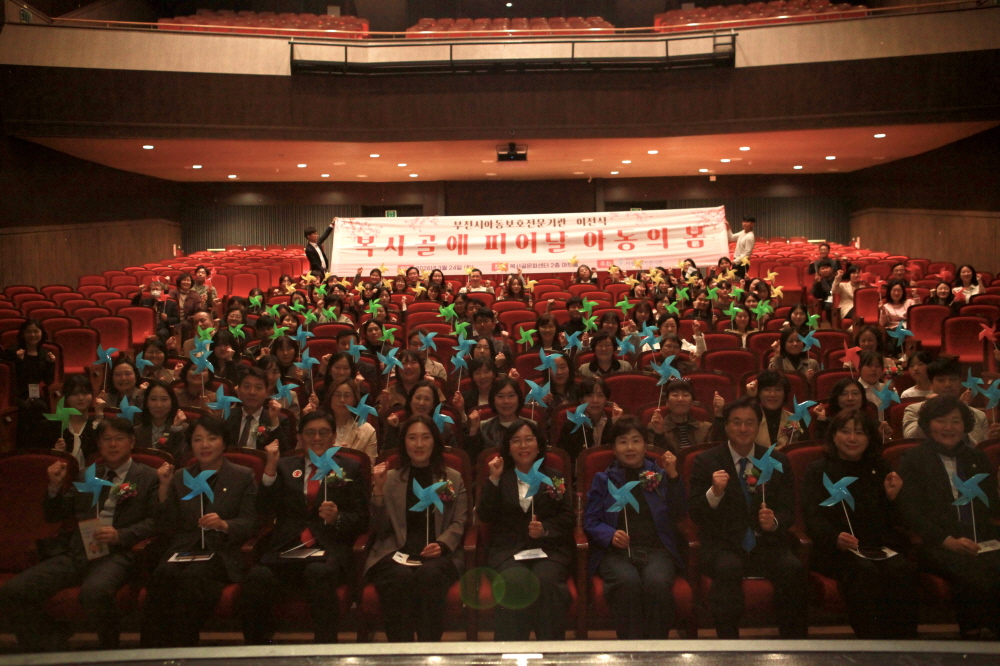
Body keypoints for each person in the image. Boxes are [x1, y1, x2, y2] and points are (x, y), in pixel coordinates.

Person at [0, 418, 159, 651]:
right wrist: (54, 487)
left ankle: (109, 650)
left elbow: (155, 522)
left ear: (131, 442)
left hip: (118, 553)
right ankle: (48, 644)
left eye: (119, 439)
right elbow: (55, 515)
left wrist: (120, 535)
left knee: (94, 593)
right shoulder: (87, 475)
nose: (112, 444)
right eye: (106, 439)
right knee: (13, 591)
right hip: (79, 551)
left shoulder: (148, 477)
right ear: (99, 444)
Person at [241, 411, 369, 645]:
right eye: (310, 433)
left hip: (328, 549)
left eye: (323, 432)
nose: (317, 438)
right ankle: (258, 649)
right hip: (286, 550)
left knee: (318, 573)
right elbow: (264, 510)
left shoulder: (350, 468)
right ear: (300, 437)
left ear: (334, 437)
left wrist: (337, 518)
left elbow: (361, 519)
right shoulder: (284, 465)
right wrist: (269, 470)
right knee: (257, 577)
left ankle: (325, 648)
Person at [688, 396, 807, 639]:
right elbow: (696, 513)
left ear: (758, 425)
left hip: (766, 543)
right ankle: (729, 645)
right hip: (723, 544)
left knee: (792, 568)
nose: (743, 428)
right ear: (726, 425)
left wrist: (773, 522)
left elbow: (788, 510)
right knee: (728, 568)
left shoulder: (776, 461)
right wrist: (714, 493)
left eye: (750, 422)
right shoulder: (706, 461)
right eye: (736, 422)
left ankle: (794, 645)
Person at [141, 415, 258, 647]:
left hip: (221, 552)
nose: (205, 445)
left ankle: (184, 650)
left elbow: (251, 522)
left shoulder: (243, 476)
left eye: (212, 438)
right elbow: (166, 525)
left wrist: (225, 524)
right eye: (197, 439)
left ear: (224, 443)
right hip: (183, 550)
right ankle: (152, 654)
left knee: (192, 579)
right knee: (162, 575)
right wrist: (164, 488)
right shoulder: (181, 476)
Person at [801, 409, 917, 639]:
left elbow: (897, 519)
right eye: (845, 431)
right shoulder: (818, 470)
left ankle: (903, 643)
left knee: (902, 569)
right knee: (864, 571)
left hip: (878, 546)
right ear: (833, 435)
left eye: (859, 433)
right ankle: (871, 642)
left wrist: (895, 498)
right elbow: (813, 517)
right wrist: (835, 538)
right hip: (837, 550)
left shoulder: (880, 467)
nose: (852, 438)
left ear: (869, 437)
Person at [897, 395, 1000, 640]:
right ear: (928, 424)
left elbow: (991, 508)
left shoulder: (977, 458)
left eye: (955, 421)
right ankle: (974, 634)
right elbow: (911, 512)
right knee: (973, 567)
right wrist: (948, 541)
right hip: (936, 542)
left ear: (965, 425)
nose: (948, 428)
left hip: (979, 536)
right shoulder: (913, 460)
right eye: (941, 421)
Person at [363, 415, 467, 642]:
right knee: (399, 578)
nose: (419, 444)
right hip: (395, 552)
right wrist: (378, 490)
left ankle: (428, 649)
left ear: (434, 441)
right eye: (412, 438)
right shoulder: (390, 479)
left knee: (429, 575)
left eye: (425, 437)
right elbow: (379, 528)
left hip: (438, 555)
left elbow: (459, 522)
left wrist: (442, 544)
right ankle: (401, 650)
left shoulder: (452, 478)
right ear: (404, 443)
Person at [584, 417, 686, 639]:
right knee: (627, 583)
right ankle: (631, 649)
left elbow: (680, 512)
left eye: (636, 441)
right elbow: (590, 521)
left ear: (645, 445)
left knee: (657, 583)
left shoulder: (658, 475)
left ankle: (655, 649)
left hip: (656, 550)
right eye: (623, 441)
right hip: (616, 553)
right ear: (614, 448)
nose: (630, 447)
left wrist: (673, 476)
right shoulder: (603, 480)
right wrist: (610, 534)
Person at [477, 420, 575, 640]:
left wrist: (545, 529)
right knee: (515, 581)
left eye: (529, 439)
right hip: (509, 550)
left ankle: (551, 651)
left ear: (538, 445)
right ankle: (511, 651)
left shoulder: (554, 477)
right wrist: (493, 479)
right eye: (516, 441)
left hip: (548, 550)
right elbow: (485, 515)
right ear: (508, 448)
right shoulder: (500, 476)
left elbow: (568, 518)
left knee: (547, 581)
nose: (523, 446)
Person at [902, 357, 998, 444]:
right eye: (941, 380)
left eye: (953, 379)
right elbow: (911, 438)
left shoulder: (978, 415)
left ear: (960, 383)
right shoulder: (914, 410)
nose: (948, 385)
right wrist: (930, 409)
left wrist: (989, 442)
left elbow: (978, 449)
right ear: (930, 384)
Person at [6, 318, 56, 448]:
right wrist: (18, 362)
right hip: (14, 393)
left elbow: (48, 381)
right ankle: (21, 447)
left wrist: (51, 364)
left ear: (42, 333)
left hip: (33, 393)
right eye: (28, 332)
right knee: (25, 408)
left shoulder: (44, 354)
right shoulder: (12, 352)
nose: (32, 335)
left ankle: (40, 446)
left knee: (42, 407)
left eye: (36, 331)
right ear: (23, 334)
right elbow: (10, 379)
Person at [224, 367, 293, 452]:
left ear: (266, 393)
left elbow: (284, 453)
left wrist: (274, 421)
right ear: (239, 390)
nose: (252, 392)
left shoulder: (279, 420)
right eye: (247, 387)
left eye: (258, 388)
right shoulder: (227, 416)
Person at [467, 377, 534, 464]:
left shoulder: (532, 426)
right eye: (500, 396)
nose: (506, 401)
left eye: (511, 396)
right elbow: (473, 462)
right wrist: (473, 430)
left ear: (519, 399)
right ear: (493, 400)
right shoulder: (483, 427)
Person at [556, 377, 622, 462]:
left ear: (606, 400)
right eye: (589, 395)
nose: (595, 400)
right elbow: (565, 461)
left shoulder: (614, 423)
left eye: (600, 395)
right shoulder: (571, 426)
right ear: (581, 400)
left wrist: (616, 423)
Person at [383, 379, 459, 452]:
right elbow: (390, 456)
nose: (421, 403)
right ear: (410, 401)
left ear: (433, 404)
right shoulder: (399, 428)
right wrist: (392, 429)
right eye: (418, 398)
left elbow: (453, 456)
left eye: (427, 399)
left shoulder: (444, 429)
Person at [648, 379, 713, 453]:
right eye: (675, 395)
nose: (680, 399)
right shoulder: (654, 427)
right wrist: (659, 433)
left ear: (692, 403)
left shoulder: (705, 428)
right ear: (667, 402)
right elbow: (656, 457)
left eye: (685, 395)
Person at [51, 374, 102, 468]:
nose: (81, 398)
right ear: (66, 397)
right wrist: (56, 453)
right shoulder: (55, 427)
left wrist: (99, 415)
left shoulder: (98, 424)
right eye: (75, 394)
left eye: (85, 393)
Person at [134, 380, 188, 460]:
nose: (159, 405)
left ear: (172, 402)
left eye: (164, 399)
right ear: (146, 403)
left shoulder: (183, 429)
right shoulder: (137, 431)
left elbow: (180, 459)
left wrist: (175, 429)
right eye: (153, 399)